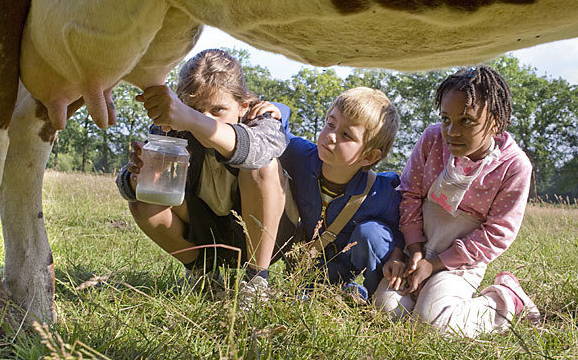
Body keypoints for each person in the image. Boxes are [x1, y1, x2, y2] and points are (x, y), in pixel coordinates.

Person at [115, 49, 297, 300]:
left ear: (243, 106)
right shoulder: (171, 127)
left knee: (263, 167)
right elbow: (127, 186)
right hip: (204, 232)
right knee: (141, 201)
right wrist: (136, 177)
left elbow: (259, 152)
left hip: (266, 238)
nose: (205, 117)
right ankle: (204, 276)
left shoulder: (262, 119)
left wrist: (189, 118)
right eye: (195, 109)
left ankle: (256, 284)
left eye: (218, 110)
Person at [373, 65, 541, 337]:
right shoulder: (431, 140)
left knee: (433, 325)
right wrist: (416, 251)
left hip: (460, 264)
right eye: (446, 119)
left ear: (495, 121)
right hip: (418, 250)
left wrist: (435, 265)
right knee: (386, 308)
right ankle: (427, 295)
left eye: (466, 121)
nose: (452, 131)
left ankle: (507, 300)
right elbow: (410, 194)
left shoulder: (514, 166)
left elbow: (497, 233)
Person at [279, 87, 404, 298]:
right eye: (330, 124)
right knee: (302, 297)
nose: (331, 136)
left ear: (369, 156)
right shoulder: (301, 156)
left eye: (346, 134)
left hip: (351, 263)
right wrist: (276, 110)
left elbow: (402, 228)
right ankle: (340, 292)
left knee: (372, 232)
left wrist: (398, 255)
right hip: (311, 262)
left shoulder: (380, 192)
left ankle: (374, 297)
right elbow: (279, 130)